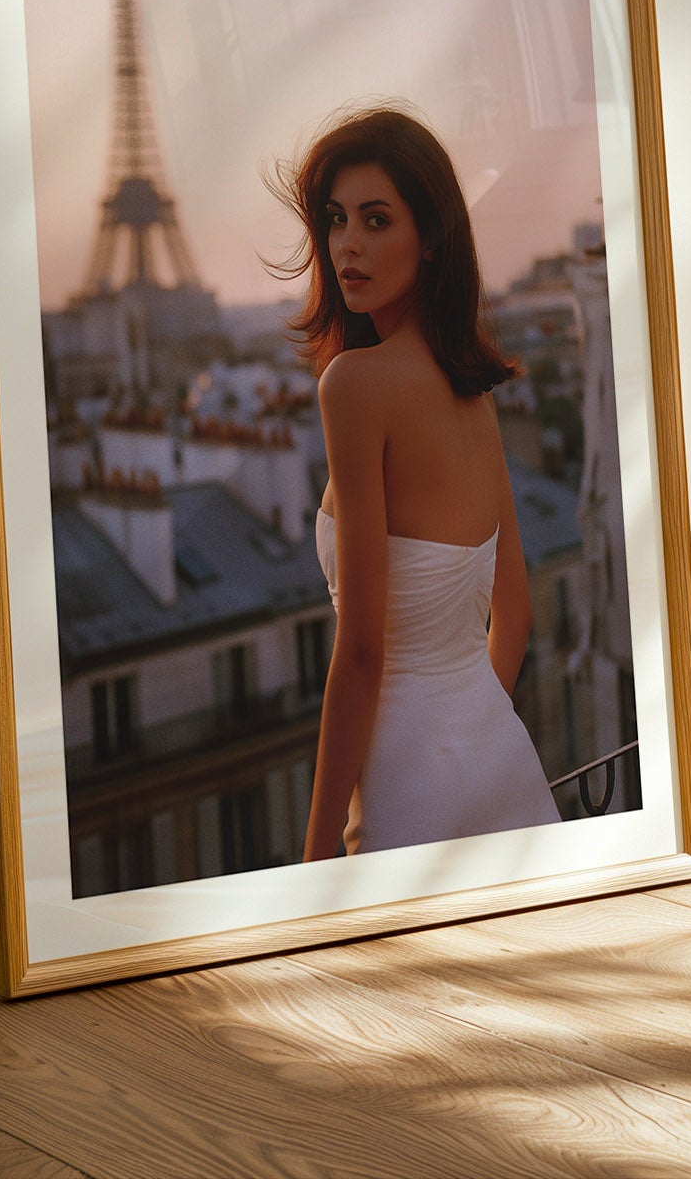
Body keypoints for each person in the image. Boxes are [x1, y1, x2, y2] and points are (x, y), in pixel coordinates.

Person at [268, 102, 560, 861]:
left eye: (375, 220)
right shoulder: (474, 391)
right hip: (503, 757)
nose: (347, 247)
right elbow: (516, 613)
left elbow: (362, 650)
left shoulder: (353, 386)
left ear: (429, 240)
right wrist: (469, 738)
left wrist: (318, 847)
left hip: (405, 779)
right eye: (336, 220)